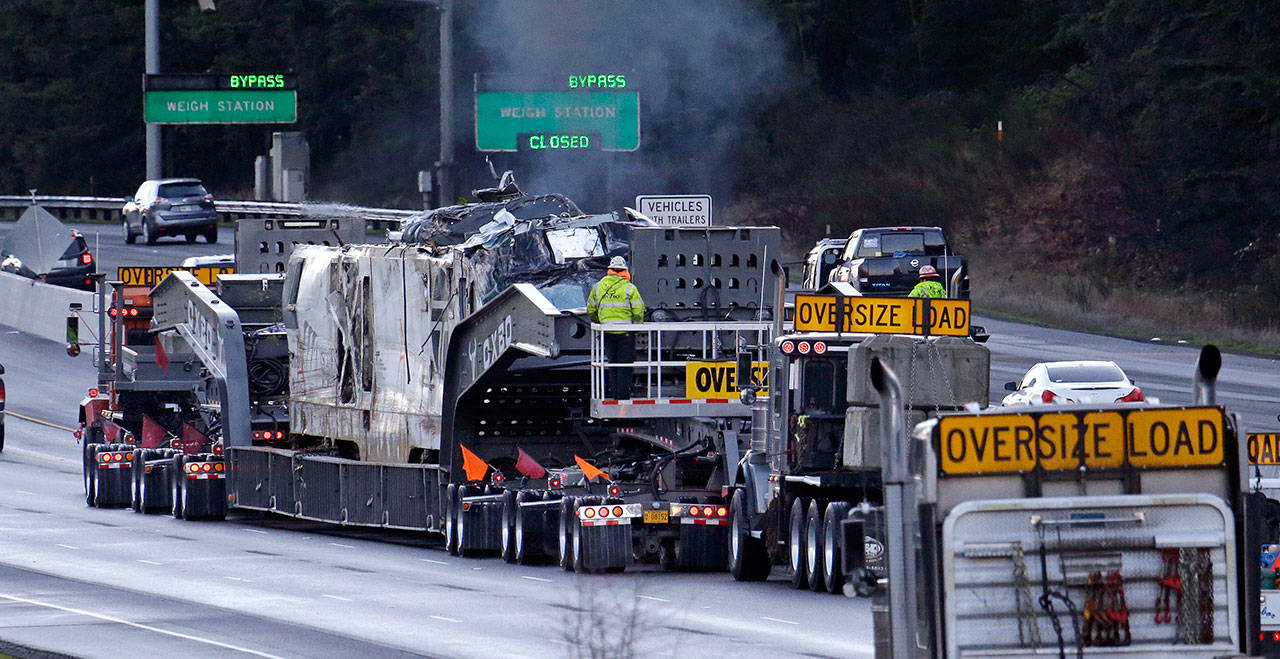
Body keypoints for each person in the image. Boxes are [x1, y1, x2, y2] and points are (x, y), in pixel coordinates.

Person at [587, 256, 645, 399]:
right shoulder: (629, 288)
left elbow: (590, 309)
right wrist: (636, 328)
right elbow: (638, 311)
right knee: (624, 366)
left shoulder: (598, 287)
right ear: (624, 270)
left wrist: (599, 322)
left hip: (607, 332)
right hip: (625, 333)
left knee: (612, 364)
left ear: (610, 269)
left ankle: (614, 395)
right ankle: (623, 397)